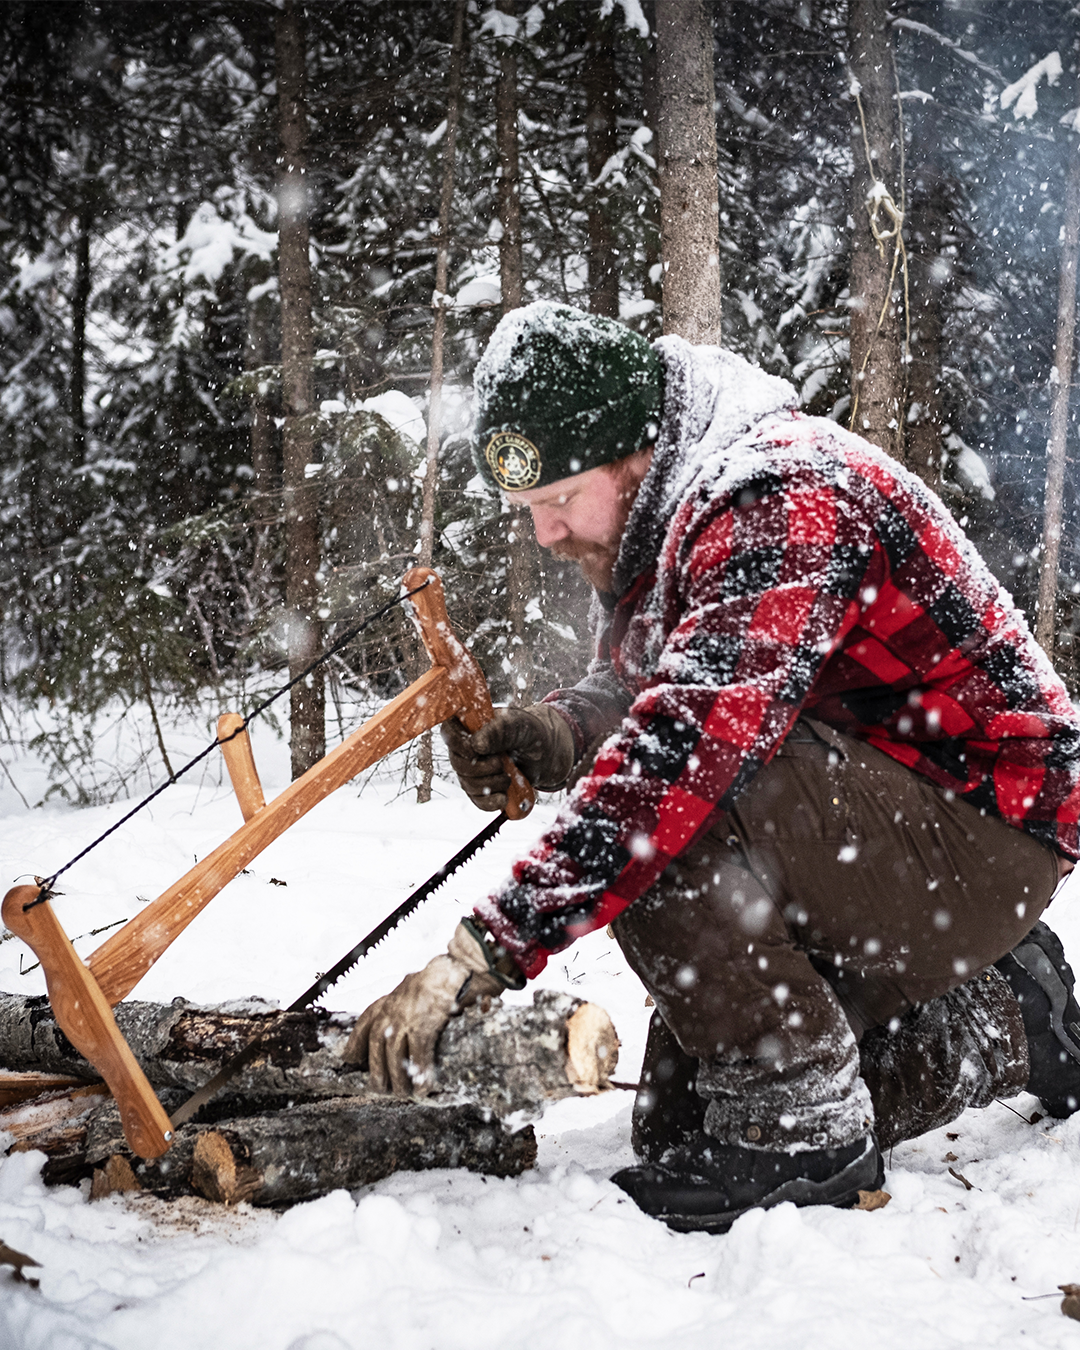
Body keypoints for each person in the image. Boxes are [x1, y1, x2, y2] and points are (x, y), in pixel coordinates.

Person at [345, 301, 1080, 1234]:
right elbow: (658, 672)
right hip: (901, 821)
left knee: (670, 816)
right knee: (678, 1122)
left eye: (559, 500)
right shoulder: (685, 499)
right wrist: (555, 732)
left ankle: (800, 1133)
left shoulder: (780, 497)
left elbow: (680, 755)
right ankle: (1000, 1017)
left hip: (987, 827)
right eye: (529, 511)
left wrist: (485, 951)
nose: (545, 533)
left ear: (631, 457)